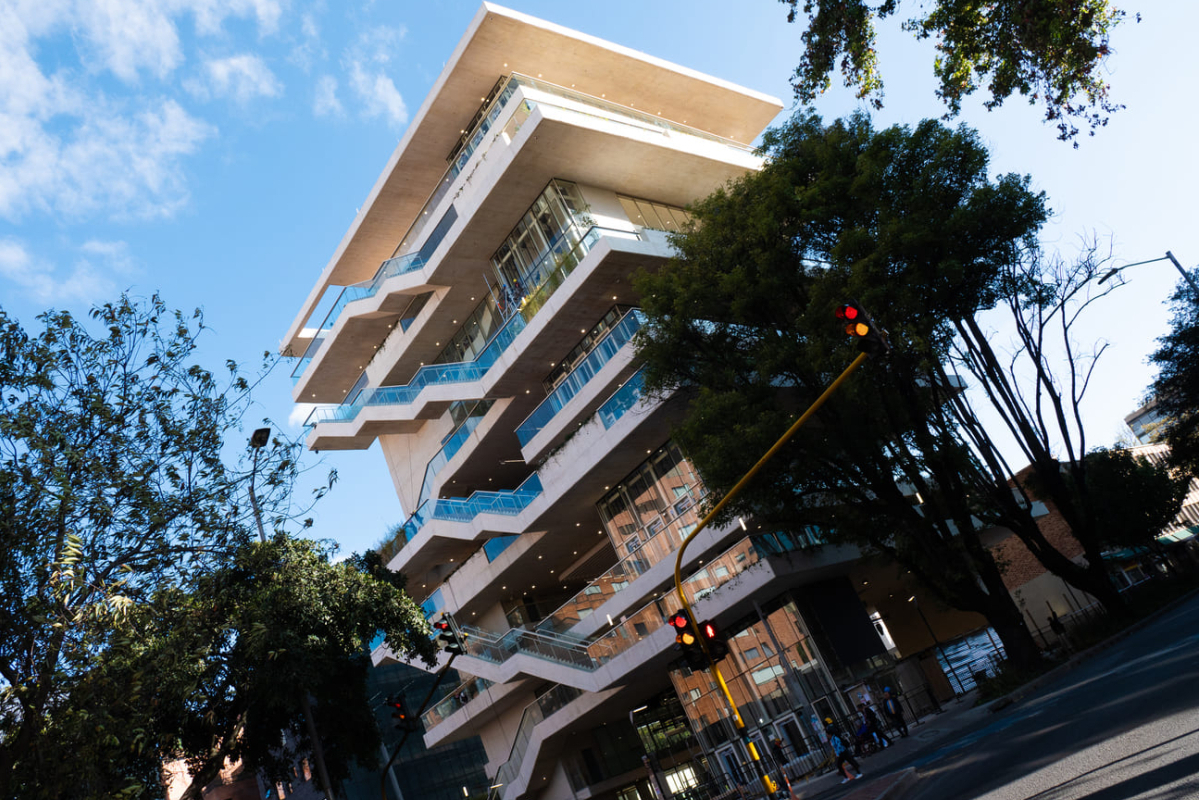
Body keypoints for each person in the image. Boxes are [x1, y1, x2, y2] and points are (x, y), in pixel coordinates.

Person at [824, 718, 862, 784]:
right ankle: (850, 775)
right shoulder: (834, 729)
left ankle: (856, 773)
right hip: (842, 751)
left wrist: (838, 754)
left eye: (827, 735)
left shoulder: (834, 737)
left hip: (842, 751)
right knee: (847, 761)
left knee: (845, 762)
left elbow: (838, 746)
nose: (827, 736)